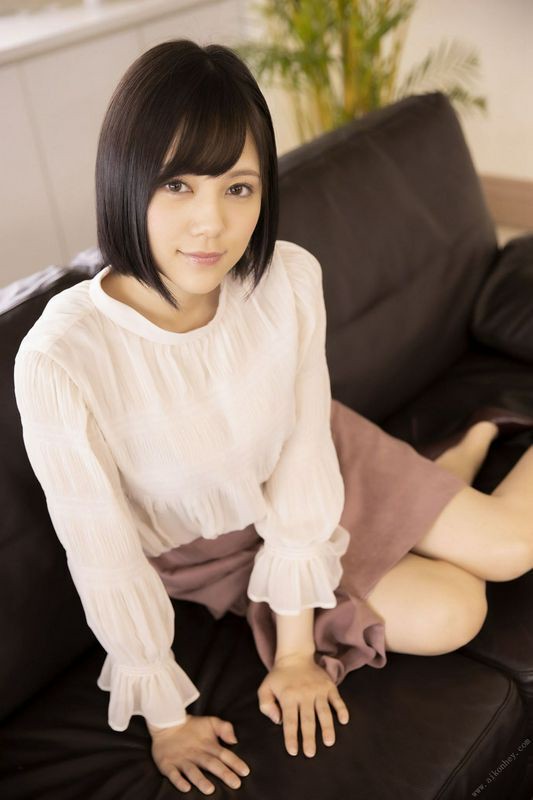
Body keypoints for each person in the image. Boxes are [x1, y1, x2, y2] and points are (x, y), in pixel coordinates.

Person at [13, 38, 533, 797]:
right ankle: (451, 463)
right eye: (178, 185)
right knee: (454, 612)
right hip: (212, 550)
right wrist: (166, 718)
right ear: (124, 178)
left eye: (239, 188)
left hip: (319, 466)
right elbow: (105, 559)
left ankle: (456, 460)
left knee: (511, 547)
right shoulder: (62, 358)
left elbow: (301, 455)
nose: (211, 225)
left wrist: (295, 652)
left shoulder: (285, 279)